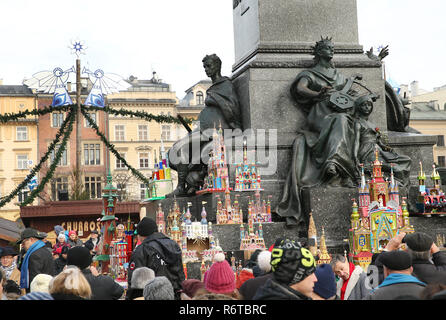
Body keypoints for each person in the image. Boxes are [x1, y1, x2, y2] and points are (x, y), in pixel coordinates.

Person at [166, 53, 242, 197]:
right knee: (174, 149)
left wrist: (215, 99)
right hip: (204, 131)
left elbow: (232, 108)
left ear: (217, 66)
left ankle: (181, 187)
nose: (206, 69)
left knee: (181, 149)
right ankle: (190, 183)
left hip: (216, 133)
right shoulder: (214, 87)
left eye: (209, 66)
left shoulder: (226, 85)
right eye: (205, 67)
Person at [352, 93, 411, 183]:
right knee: (396, 169)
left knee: (407, 160)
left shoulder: (372, 125)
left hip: (379, 151)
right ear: (359, 108)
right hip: (367, 151)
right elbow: (356, 141)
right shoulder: (358, 123)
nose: (367, 107)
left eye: (369, 105)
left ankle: (395, 183)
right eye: (364, 105)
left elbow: (379, 141)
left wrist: (386, 148)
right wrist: (355, 157)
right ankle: (394, 183)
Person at [128, 217, 185, 299]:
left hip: (152, 296)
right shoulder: (174, 245)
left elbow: (135, 282)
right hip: (174, 296)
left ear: (141, 235)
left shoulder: (142, 250)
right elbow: (180, 275)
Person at [17, 228, 55, 292]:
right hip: (48, 288)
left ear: (31, 239)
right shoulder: (46, 251)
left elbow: (34, 279)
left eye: (23, 243)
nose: (23, 246)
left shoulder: (34, 255)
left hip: (38, 291)